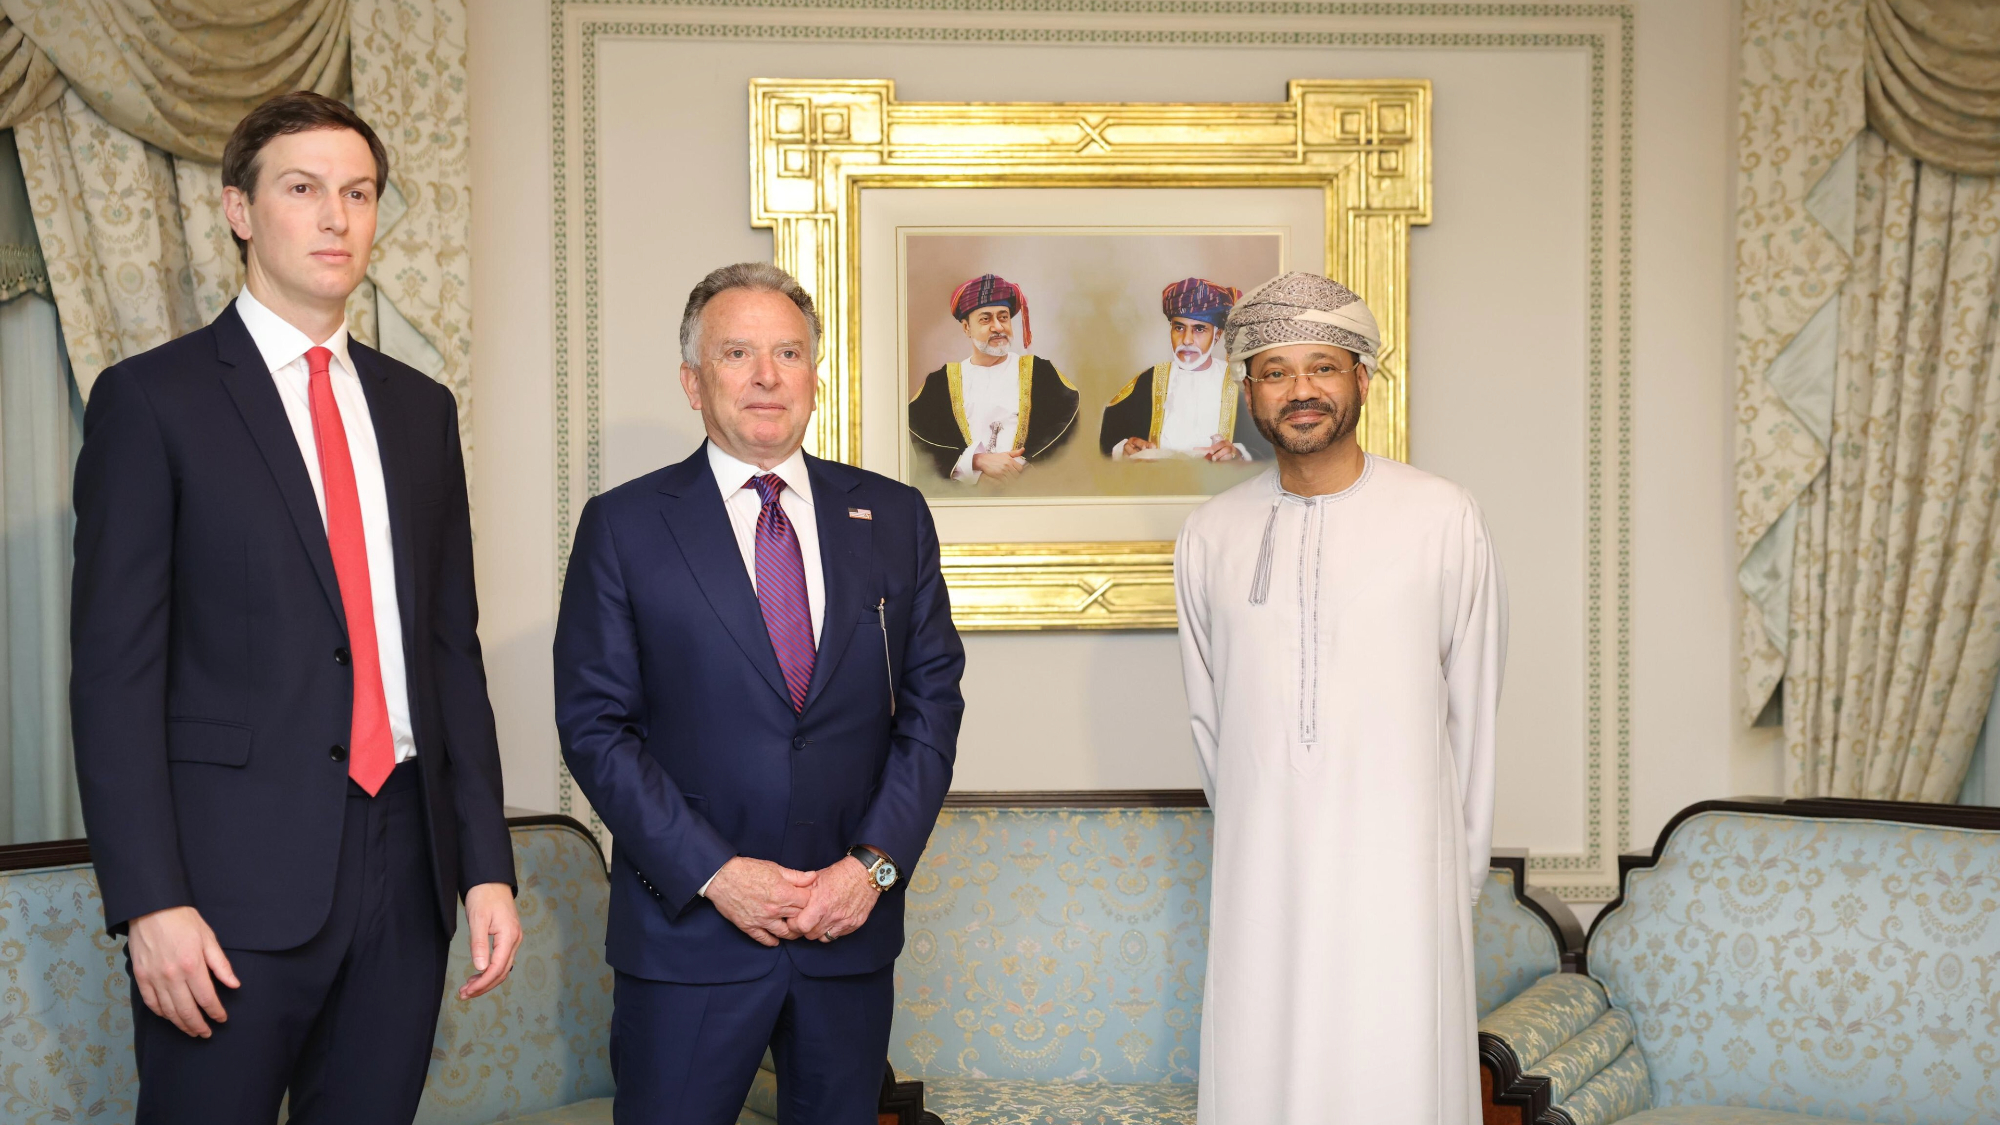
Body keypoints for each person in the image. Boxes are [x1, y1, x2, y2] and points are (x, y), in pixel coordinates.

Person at [69, 91, 520, 1125]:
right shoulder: (152, 401)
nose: (335, 218)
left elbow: (452, 651)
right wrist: (150, 900)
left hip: (405, 873)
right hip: (222, 886)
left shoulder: (419, 409)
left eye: (358, 194)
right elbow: (114, 674)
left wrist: (484, 869)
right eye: (303, 189)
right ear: (239, 209)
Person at [556, 263, 966, 1124]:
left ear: (816, 375)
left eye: (788, 352)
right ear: (692, 380)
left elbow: (932, 710)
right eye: (737, 352)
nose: (766, 375)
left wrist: (872, 868)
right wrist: (716, 872)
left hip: (845, 927)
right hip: (689, 935)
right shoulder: (625, 525)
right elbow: (596, 727)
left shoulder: (892, 516)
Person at [1172, 272, 1507, 1124]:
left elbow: (1473, 710)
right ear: (1248, 391)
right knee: (1261, 1072)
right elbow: (1211, 724)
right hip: (1263, 877)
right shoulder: (1210, 535)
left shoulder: (1442, 517)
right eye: (1276, 372)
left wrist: (1451, 880)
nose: (1301, 391)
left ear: (1362, 378)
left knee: (1394, 1074)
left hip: (1405, 880)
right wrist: (1266, 821)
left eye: (1323, 367)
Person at [908, 273, 1079, 483]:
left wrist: (1016, 468)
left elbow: (1065, 427)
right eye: (985, 319)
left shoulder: (1042, 374)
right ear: (966, 328)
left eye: (1003, 317)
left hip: (1027, 491)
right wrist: (976, 461)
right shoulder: (939, 384)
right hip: (963, 497)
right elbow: (925, 439)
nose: (998, 327)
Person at [1099, 277, 1268, 462]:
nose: (1187, 340)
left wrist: (1238, 453)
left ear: (1217, 335)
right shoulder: (1150, 380)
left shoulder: (1240, 383)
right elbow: (1110, 437)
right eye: (1179, 328)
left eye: (1199, 329)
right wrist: (1124, 448)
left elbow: (1268, 446)